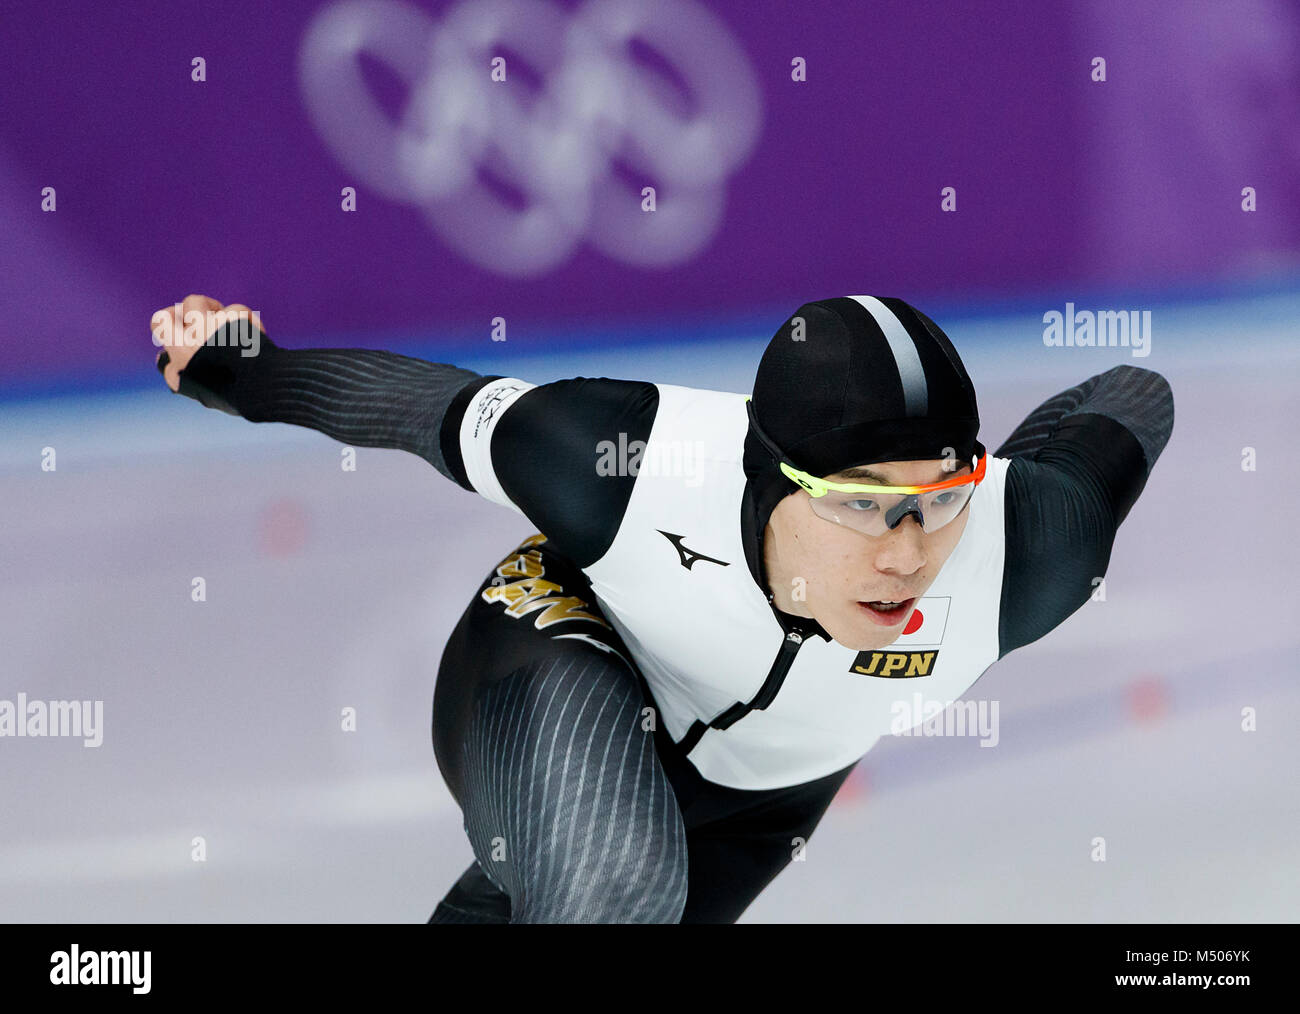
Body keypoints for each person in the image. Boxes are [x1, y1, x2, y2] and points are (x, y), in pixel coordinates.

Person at [153, 293, 1174, 923]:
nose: (908, 553)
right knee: (612, 893)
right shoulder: (626, 461)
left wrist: (1005, 474)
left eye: (936, 505)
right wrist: (236, 366)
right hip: (560, 653)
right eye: (863, 505)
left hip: (764, 794)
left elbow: (1130, 396)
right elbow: (421, 410)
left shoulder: (1025, 550)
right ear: (771, 480)